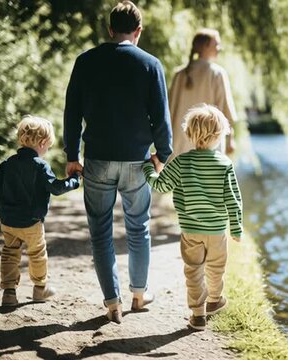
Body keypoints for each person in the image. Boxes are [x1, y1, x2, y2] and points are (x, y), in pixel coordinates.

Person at [63, 1, 173, 323]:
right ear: (138, 31)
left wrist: (72, 155)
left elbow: (72, 113)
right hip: (137, 162)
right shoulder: (151, 64)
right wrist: (162, 155)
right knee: (138, 227)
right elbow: (161, 117)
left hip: (97, 159)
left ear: (110, 30)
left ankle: (112, 302)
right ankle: (139, 294)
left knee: (100, 232)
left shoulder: (86, 62)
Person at [143, 104, 243, 330]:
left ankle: (198, 315)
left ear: (189, 134)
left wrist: (149, 168)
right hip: (217, 231)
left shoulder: (181, 162)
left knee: (194, 271)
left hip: (190, 231)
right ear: (218, 136)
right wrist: (236, 229)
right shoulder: (225, 164)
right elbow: (233, 199)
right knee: (216, 268)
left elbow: (161, 184)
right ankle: (215, 300)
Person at [0, 116, 80, 306]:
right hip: (32, 221)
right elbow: (56, 188)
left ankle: (9, 293)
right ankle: (40, 290)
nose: (47, 149)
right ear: (42, 143)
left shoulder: (8, 163)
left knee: (9, 253)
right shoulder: (40, 166)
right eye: (48, 146)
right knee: (37, 253)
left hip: (8, 221)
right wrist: (74, 180)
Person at [168, 28, 238, 160]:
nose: (219, 48)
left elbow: (169, 112)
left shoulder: (179, 75)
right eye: (216, 44)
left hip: (179, 148)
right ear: (205, 46)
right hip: (209, 147)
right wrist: (230, 139)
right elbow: (226, 112)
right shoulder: (217, 74)